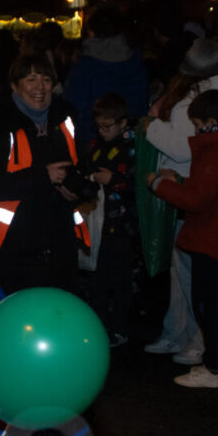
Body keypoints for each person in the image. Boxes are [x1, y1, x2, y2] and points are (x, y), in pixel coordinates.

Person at [146, 89, 218, 388]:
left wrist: (159, 184)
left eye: (197, 125)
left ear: (209, 121)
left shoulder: (217, 154)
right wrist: (179, 181)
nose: (196, 131)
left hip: (210, 237)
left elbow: (196, 199)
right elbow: (209, 190)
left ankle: (213, 368)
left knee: (210, 307)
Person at [141, 38, 218, 366]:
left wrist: (153, 128)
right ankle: (180, 332)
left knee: (192, 278)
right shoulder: (216, 92)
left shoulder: (201, 101)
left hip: (187, 191)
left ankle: (199, 343)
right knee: (182, 273)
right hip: (185, 188)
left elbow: (183, 147)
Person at [0, 52, 90, 293]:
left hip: (60, 241)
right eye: (31, 79)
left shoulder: (65, 120)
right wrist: (42, 177)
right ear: (15, 85)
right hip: (13, 246)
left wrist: (78, 188)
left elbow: (81, 167)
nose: (40, 87)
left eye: (46, 79)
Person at [83, 92, 136, 347]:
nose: (103, 131)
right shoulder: (95, 145)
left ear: (123, 123)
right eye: (100, 126)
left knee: (120, 279)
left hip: (121, 226)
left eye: (108, 126)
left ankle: (120, 328)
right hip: (97, 224)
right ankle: (99, 325)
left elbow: (137, 185)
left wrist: (113, 180)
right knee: (98, 278)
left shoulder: (132, 148)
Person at [63, 3, 149, 149]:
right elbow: (142, 103)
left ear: (91, 30)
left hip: (94, 144)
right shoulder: (136, 62)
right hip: (129, 141)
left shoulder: (85, 66)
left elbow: (75, 108)